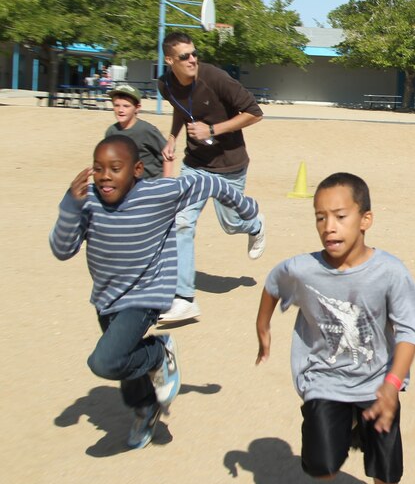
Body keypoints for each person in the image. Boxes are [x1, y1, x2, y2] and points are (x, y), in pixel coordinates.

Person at [49, 135, 260, 449]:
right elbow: (62, 249)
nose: (105, 175)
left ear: (136, 170)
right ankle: (146, 408)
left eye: (115, 168)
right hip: (107, 298)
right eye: (98, 168)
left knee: (105, 361)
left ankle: (159, 353)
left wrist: (246, 207)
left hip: (146, 295)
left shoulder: (159, 193)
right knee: (126, 365)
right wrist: (70, 205)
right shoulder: (88, 200)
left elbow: (209, 183)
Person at [256, 172, 415, 484]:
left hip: (377, 384)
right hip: (325, 379)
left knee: (387, 467)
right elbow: (274, 282)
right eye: (320, 217)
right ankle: (348, 425)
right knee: (321, 468)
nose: (329, 227)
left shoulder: (390, 272)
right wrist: (263, 326)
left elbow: (410, 331)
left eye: (340, 216)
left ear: (365, 219)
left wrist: (392, 383)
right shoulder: (305, 269)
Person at [157, 31, 267, 324]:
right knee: (181, 222)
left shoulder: (215, 78)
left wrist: (213, 130)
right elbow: (182, 109)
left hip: (229, 165)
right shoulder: (165, 84)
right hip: (195, 165)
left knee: (231, 224)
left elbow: (255, 113)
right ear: (170, 61)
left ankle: (255, 223)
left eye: (194, 53)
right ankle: (184, 299)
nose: (192, 59)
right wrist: (172, 137)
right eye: (184, 56)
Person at [105, 84, 169, 179]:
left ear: (137, 108)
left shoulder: (146, 130)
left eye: (126, 106)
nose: (120, 110)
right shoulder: (111, 132)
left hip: (150, 182)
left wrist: (167, 183)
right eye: (116, 105)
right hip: (126, 183)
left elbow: (168, 156)